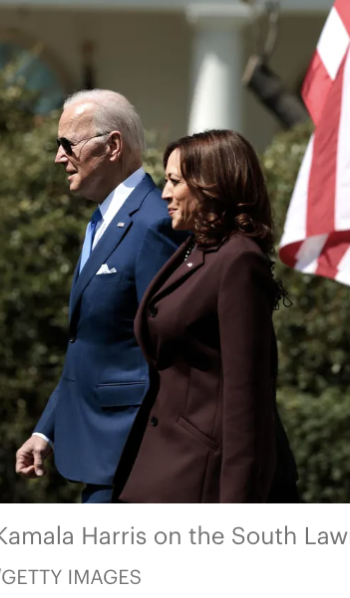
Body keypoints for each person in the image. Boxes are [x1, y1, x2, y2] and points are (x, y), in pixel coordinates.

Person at [15, 89, 187, 503]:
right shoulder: (103, 220)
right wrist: (46, 429)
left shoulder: (154, 223)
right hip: (99, 453)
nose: (59, 158)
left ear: (112, 146)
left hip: (135, 455)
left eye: (67, 145)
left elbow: (169, 348)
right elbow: (91, 343)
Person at [113, 129, 298, 503]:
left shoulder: (239, 260)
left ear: (210, 185)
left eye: (175, 181)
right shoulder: (193, 251)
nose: (164, 194)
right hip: (159, 464)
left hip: (203, 478)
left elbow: (248, 397)